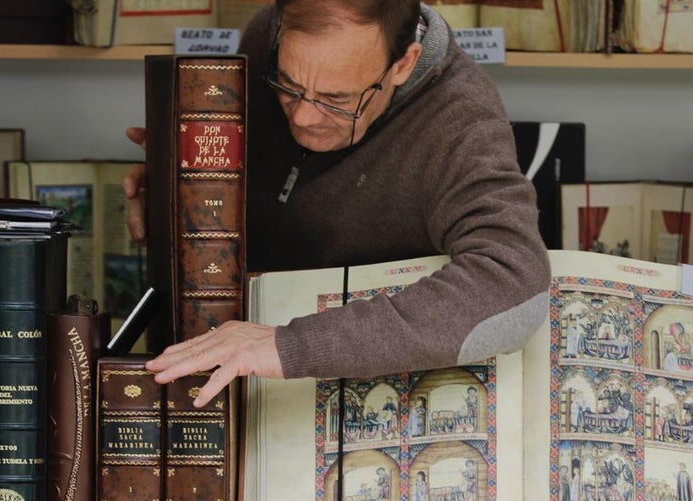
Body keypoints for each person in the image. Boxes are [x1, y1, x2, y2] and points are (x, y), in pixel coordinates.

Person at [125, 0, 551, 407]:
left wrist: (288, 346)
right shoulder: (267, 34)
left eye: (337, 100)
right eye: (288, 86)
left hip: (356, 398)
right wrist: (178, 186)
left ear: (403, 64)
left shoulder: (463, 125)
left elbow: (514, 285)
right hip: (221, 365)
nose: (303, 117)